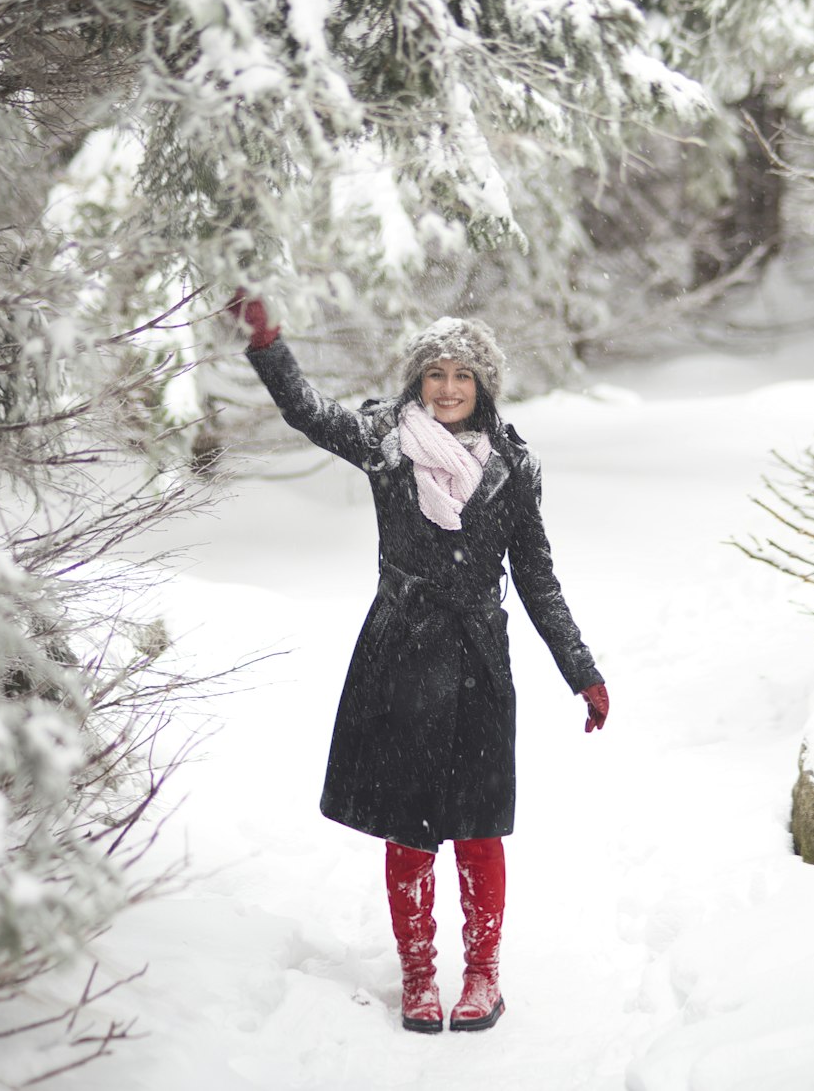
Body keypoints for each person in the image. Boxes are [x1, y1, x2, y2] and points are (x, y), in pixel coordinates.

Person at [228, 294, 609, 1034]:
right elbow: (308, 412)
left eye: (462, 373)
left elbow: (536, 577)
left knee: (478, 824)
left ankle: (483, 976)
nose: (446, 387)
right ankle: (418, 976)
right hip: (401, 651)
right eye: (433, 373)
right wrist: (268, 345)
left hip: (479, 664)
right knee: (409, 826)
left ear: (483, 383)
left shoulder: (513, 465)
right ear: (417, 382)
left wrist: (581, 669)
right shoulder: (386, 440)